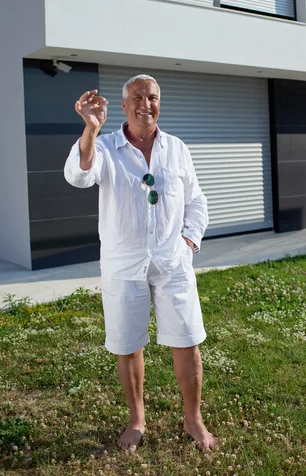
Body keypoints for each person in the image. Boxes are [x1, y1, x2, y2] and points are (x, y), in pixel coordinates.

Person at [64, 75, 217, 452]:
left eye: (151, 97)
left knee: (187, 341)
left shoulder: (177, 148)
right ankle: (137, 420)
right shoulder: (106, 146)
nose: (144, 104)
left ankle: (193, 420)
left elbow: (196, 201)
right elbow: (79, 175)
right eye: (136, 97)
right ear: (124, 105)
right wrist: (90, 130)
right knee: (128, 344)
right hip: (123, 264)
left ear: (159, 103)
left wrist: (188, 241)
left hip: (172, 261)